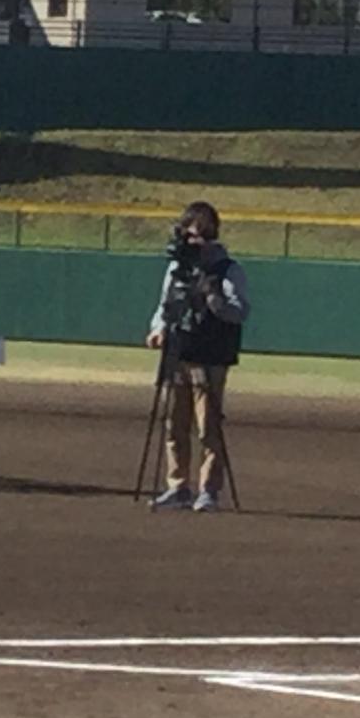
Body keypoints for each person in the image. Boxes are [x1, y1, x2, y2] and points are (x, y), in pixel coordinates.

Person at [145, 200, 250, 514]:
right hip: (179, 350)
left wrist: (211, 295)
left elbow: (239, 312)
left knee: (208, 426)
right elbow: (166, 305)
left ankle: (208, 489)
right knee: (174, 423)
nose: (190, 243)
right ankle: (178, 486)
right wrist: (158, 329)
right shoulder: (177, 268)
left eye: (195, 237)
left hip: (212, 355)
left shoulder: (228, 270)